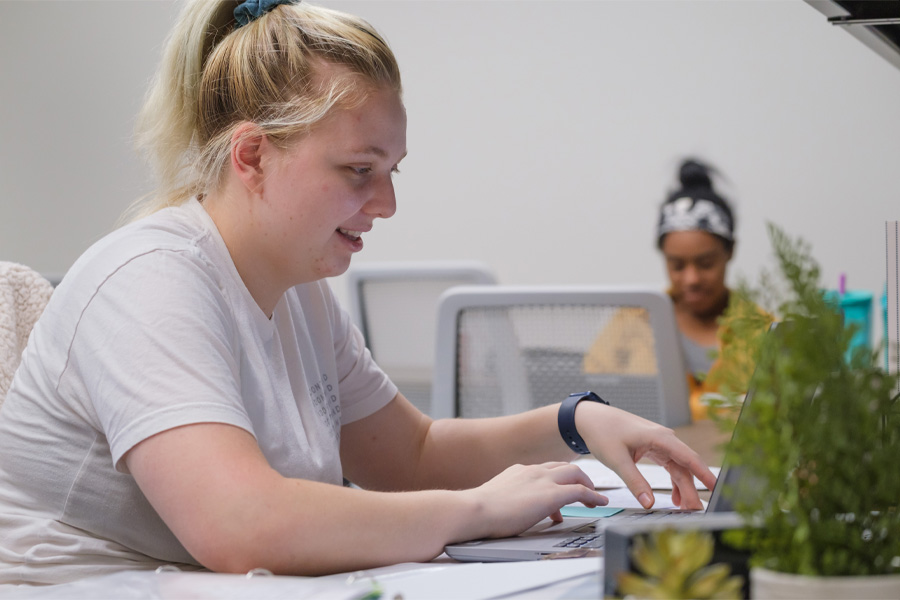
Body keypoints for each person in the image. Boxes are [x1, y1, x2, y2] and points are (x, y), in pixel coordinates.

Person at [0, 0, 716, 585]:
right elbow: (237, 524)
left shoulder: (299, 287)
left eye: (392, 171)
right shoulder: (147, 280)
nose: (386, 204)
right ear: (252, 155)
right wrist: (474, 510)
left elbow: (411, 454)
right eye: (357, 170)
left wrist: (573, 420)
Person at [585, 158, 770, 420]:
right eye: (677, 265)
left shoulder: (764, 331)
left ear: (730, 251)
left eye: (705, 264)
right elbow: (588, 403)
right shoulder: (629, 325)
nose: (691, 279)